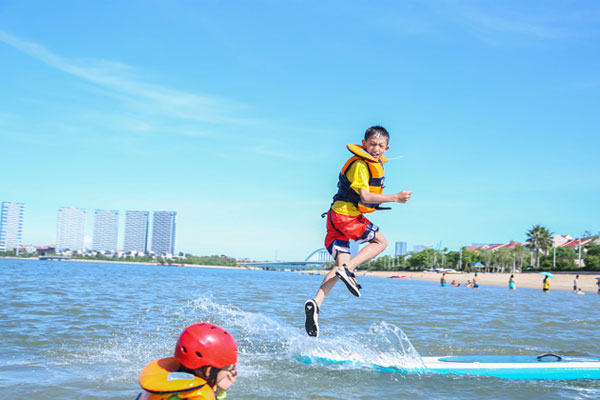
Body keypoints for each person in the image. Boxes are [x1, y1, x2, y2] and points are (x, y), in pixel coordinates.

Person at [304, 126, 412, 337]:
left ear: (387, 148)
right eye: (372, 144)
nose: (376, 149)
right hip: (346, 216)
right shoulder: (361, 165)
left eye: (381, 146)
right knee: (381, 242)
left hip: (336, 217)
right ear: (363, 144)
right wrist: (396, 198)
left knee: (339, 266)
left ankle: (316, 304)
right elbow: (365, 197)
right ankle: (349, 269)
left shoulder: (372, 163)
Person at [137, 323, 238, 400]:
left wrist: (220, 392)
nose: (228, 372)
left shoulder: (160, 389)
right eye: (227, 367)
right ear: (208, 370)